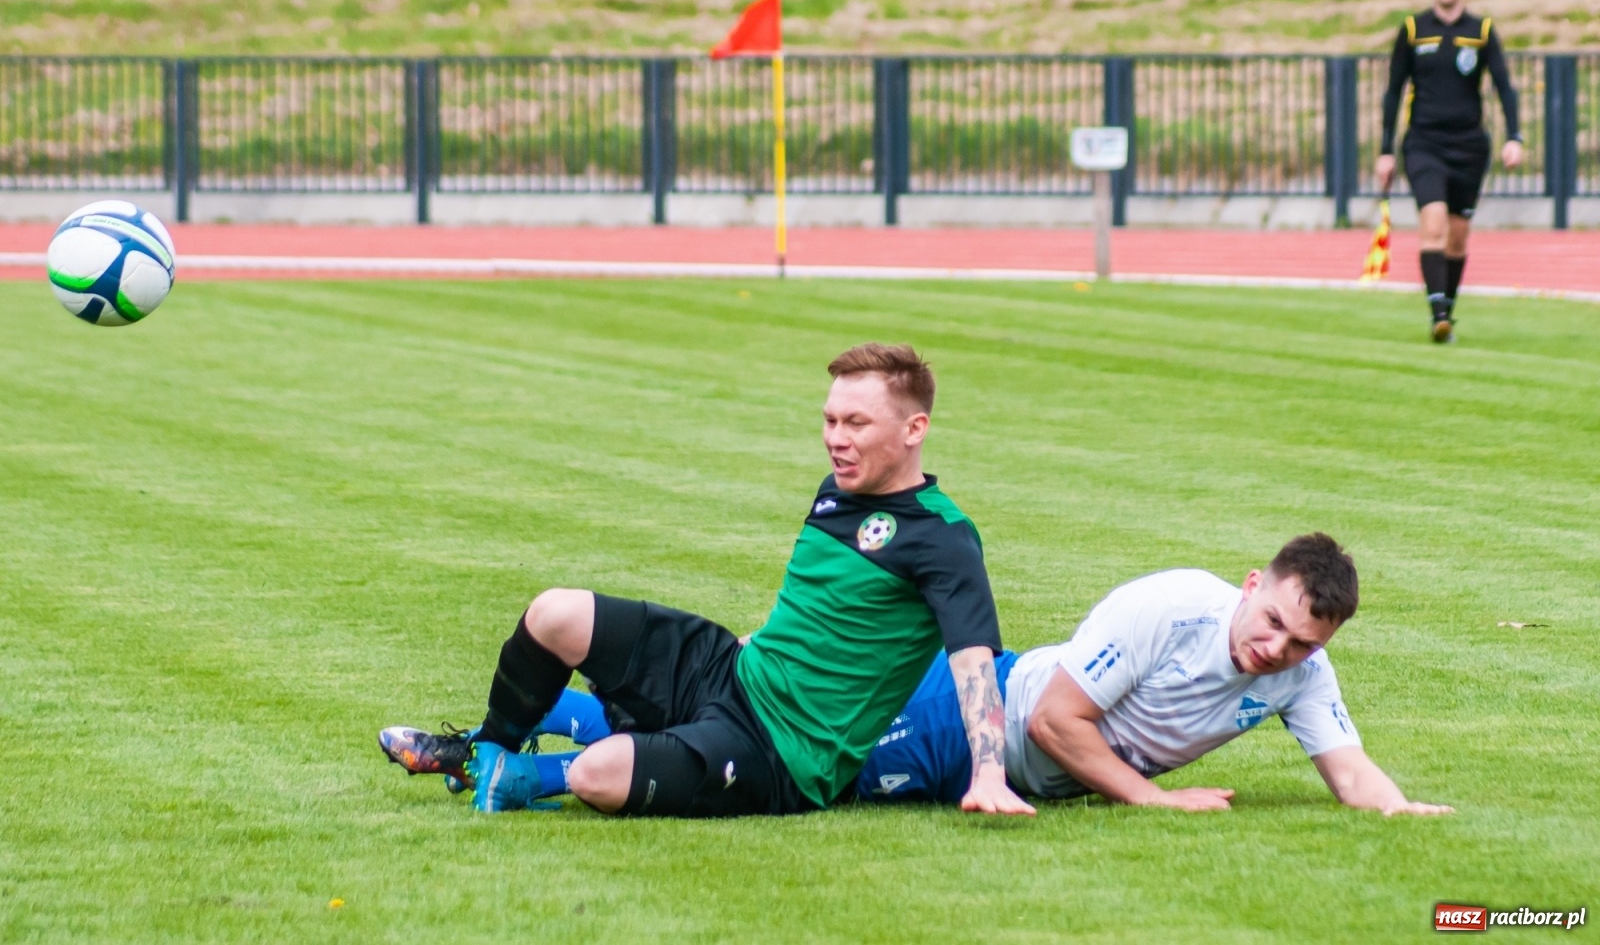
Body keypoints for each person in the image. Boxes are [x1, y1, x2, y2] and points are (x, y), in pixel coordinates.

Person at [380, 342, 1034, 819]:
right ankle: (484, 751)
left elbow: (975, 662)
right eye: (830, 420)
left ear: (914, 429)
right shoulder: (835, 494)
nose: (836, 438)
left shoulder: (944, 538)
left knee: (596, 776)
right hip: (733, 671)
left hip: (786, 754)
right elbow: (819, 610)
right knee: (554, 614)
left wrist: (988, 773)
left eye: (855, 423)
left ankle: (526, 776)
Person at [426, 534, 1453, 818]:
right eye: (1269, 623)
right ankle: (548, 740)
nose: (1271, 652)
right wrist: (1155, 797)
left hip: (1012, 738)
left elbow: (1352, 773)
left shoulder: (1297, 675)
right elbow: (1056, 722)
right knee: (792, 758)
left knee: (750, 725)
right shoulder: (1171, 607)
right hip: (966, 719)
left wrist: (1406, 812)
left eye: (1298, 646)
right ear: (1249, 585)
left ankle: (564, 715)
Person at [1377, 0, 1522, 344]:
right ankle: (1438, 314)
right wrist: (1386, 150)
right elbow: (1393, 92)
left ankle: (1447, 311)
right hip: (1424, 143)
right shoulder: (1412, 30)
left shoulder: (1482, 30)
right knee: (1434, 221)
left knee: (1458, 237)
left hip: (1470, 146)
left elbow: (1504, 86)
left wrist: (1514, 136)